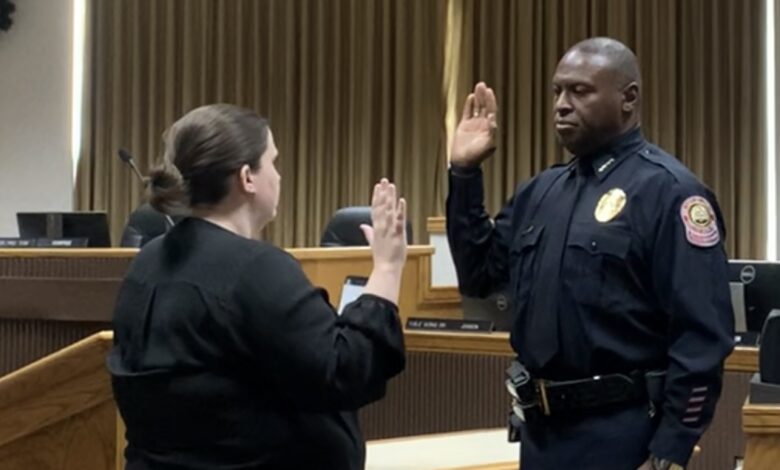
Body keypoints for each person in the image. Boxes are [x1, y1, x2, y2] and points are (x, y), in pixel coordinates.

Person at [446, 37, 734, 470]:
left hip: (624, 433)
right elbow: (479, 278)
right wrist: (465, 174)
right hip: (541, 431)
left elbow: (702, 336)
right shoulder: (540, 192)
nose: (562, 104)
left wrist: (672, 448)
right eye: (558, 91)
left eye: (580, 91)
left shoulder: (669, 192)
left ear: (628, 99)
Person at [107, 104, 408, 469]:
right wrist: (388, 269)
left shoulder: (147, 263)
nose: (279, 176)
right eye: (273, 162)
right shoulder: (255, 269)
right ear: (247, 177)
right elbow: (345, 370)